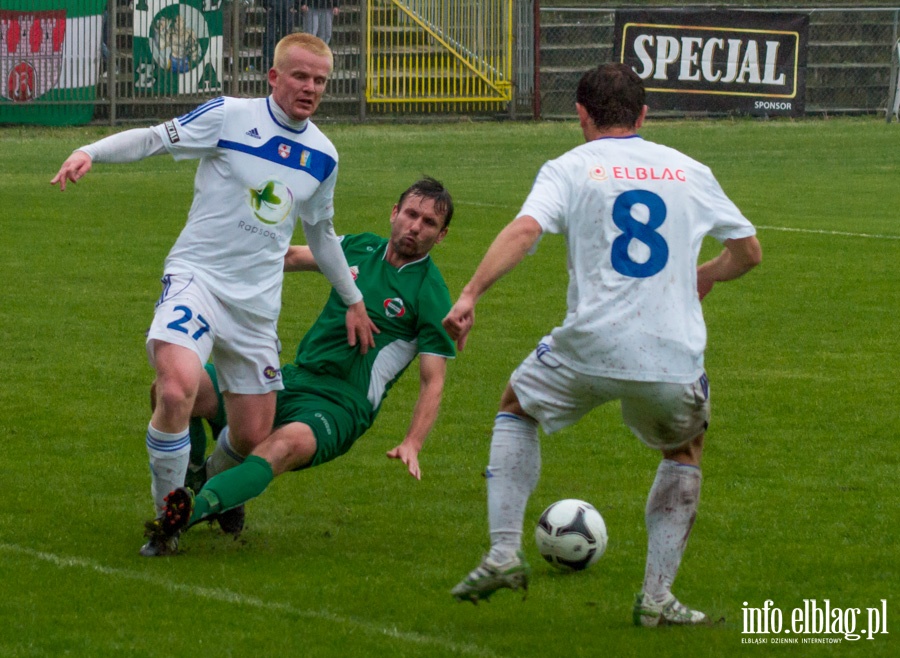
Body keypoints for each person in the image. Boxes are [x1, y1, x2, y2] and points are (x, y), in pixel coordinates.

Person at [442, 63, 762, 626]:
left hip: (588, 346)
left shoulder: (569, 167)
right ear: (643, 115)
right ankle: (657, 599)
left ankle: (501, 552)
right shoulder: (690, 169)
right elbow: (749, 252)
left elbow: (524, 231)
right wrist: (707, 273)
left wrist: (471, 292)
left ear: (581, 116)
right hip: (671, 355)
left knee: (517, 406)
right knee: (683, 452)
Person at [51, 33, 375, 557]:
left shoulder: (323, 156)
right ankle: (168, 518)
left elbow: (322, 234)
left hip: (256, 309)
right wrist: (90, 150)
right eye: (300, 76)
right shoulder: (229, 115)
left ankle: (206, 485)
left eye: (319, 79)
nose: (310, 87)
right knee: (176, 389)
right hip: (197, 280)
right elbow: (155, 138)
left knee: (251, 436)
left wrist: (353, 299)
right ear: (273, 77)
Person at [146, 177, 456, 553]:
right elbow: (291, 256)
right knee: (175, 389)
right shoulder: (361, 247)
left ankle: (187, 514)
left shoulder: (431, 293)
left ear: (441, 236)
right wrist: (223, 259)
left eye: (429, 224)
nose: (415, 227)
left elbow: (433, 381)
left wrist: (413, 442)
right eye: (411, 214)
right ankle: (197, 474)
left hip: (342, 406)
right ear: (394, 213)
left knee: (281, 447)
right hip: (294, 376)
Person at [263, 0, 297, 68]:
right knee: (270, 37)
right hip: (272, 6)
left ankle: (286, 62)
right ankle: (270, 63)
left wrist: (295, 5)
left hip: (287, 6)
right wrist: (266, 4)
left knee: (287, 38)